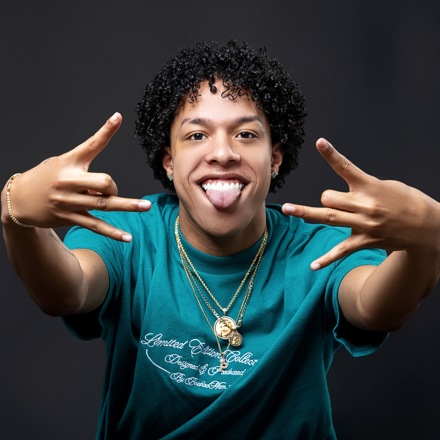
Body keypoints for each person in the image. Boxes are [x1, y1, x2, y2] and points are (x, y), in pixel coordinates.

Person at [2, 40, 440, 439]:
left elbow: (378, 307)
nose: (223, 153)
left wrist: (428, 235)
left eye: (246, 134)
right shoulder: (126, 233)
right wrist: (15, 211)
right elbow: (65, 291)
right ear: (169, 161)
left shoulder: (320, 248)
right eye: (197, 135)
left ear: (275, 157)